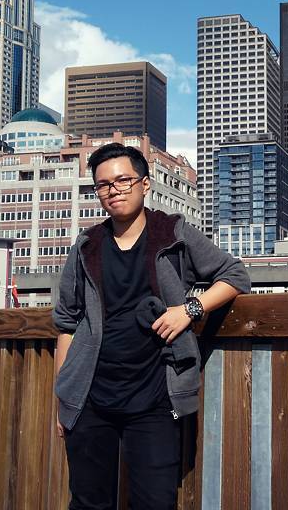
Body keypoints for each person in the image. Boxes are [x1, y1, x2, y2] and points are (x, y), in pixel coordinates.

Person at [52, 142, 250, 509]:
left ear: (145, 184)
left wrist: (190, 309)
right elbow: (66, 324)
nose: (114, 191)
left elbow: (234, 274)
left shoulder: (172, 234)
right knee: (87, 502)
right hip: (91, 400)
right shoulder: (86, 246)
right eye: (103, 185)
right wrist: (64, 400)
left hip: (156, 399)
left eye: (124, 180)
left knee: (156, 502)